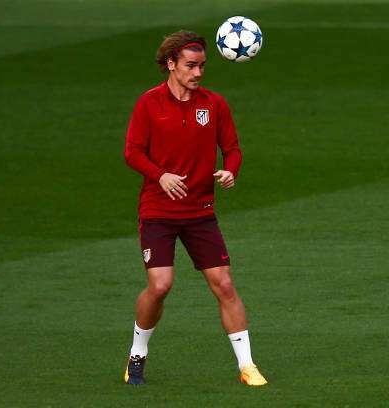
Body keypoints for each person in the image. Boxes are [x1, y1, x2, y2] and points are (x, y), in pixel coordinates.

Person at [123, 30, 267, 386]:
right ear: (170, 64)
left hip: (200, 211)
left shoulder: (214, 104)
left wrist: (231, 170)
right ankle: (137, 354)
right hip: (158, 211)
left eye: (202, 65)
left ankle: (247, 366)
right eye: (190, 65)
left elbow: (232, 148)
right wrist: (161, 176)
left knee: (225, 284)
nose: (198, 72)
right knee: (160, 286)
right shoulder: (149, 104)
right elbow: (132, 152)